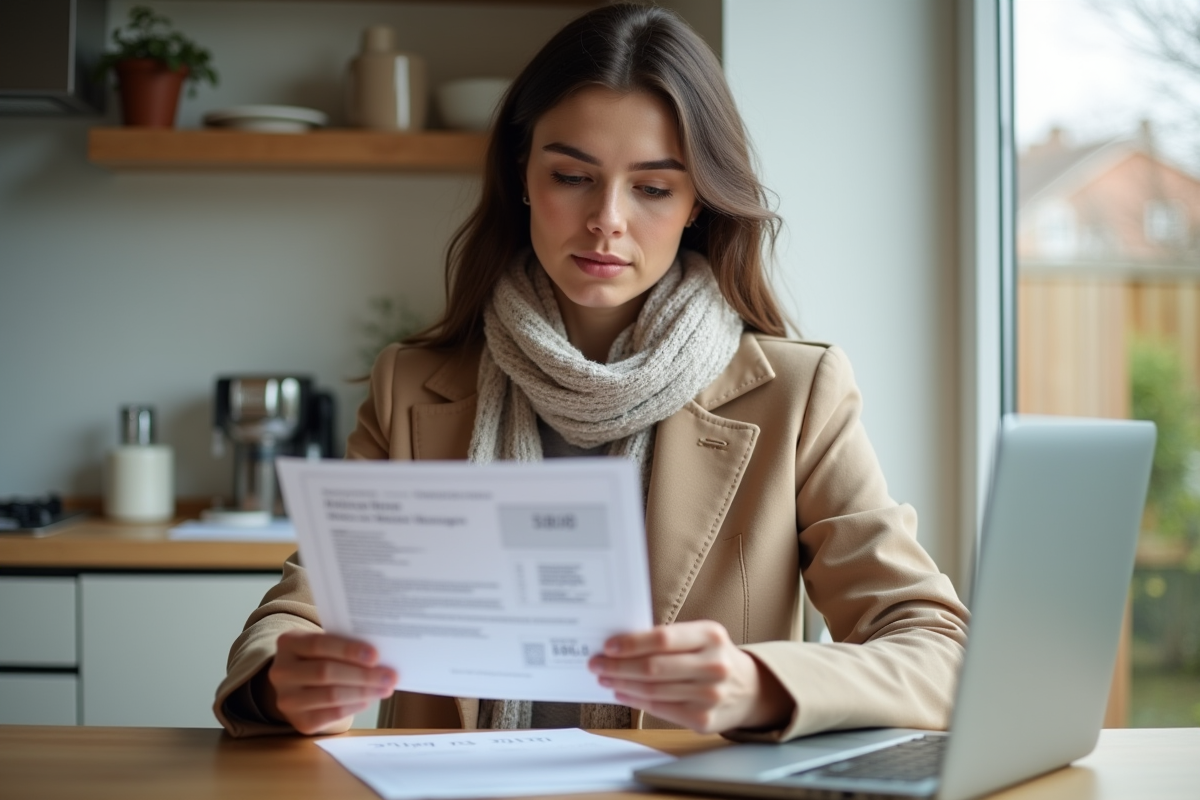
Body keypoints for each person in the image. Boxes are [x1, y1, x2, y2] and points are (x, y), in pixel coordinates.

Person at [214, 3, 969, 742]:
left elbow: (939, 648)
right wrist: (285, 678)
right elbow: (300, 610)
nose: (607, 218)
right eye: (573, 176)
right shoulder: (412, 385)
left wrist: (757, 683)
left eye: (652, 187)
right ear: (521, 175)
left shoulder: (795, 395)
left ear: (698, 203)